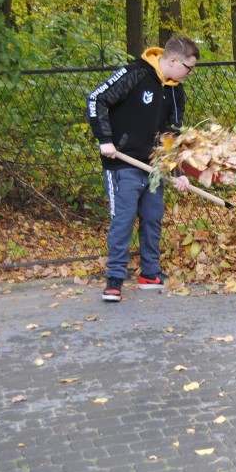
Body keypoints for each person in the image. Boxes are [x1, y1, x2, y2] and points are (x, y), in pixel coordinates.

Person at [87, 34, 199, 302]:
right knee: (123, 220)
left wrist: (177, 172)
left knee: (152, 217)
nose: (190, 74)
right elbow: (96, 99)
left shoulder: (175, 92)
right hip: (122, 162)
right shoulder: (134, 74)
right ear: (173, 60)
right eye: (189, 68)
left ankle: (149, 273)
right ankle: (114, 279)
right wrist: (105, 140)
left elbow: (171, 136)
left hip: (154, 168)